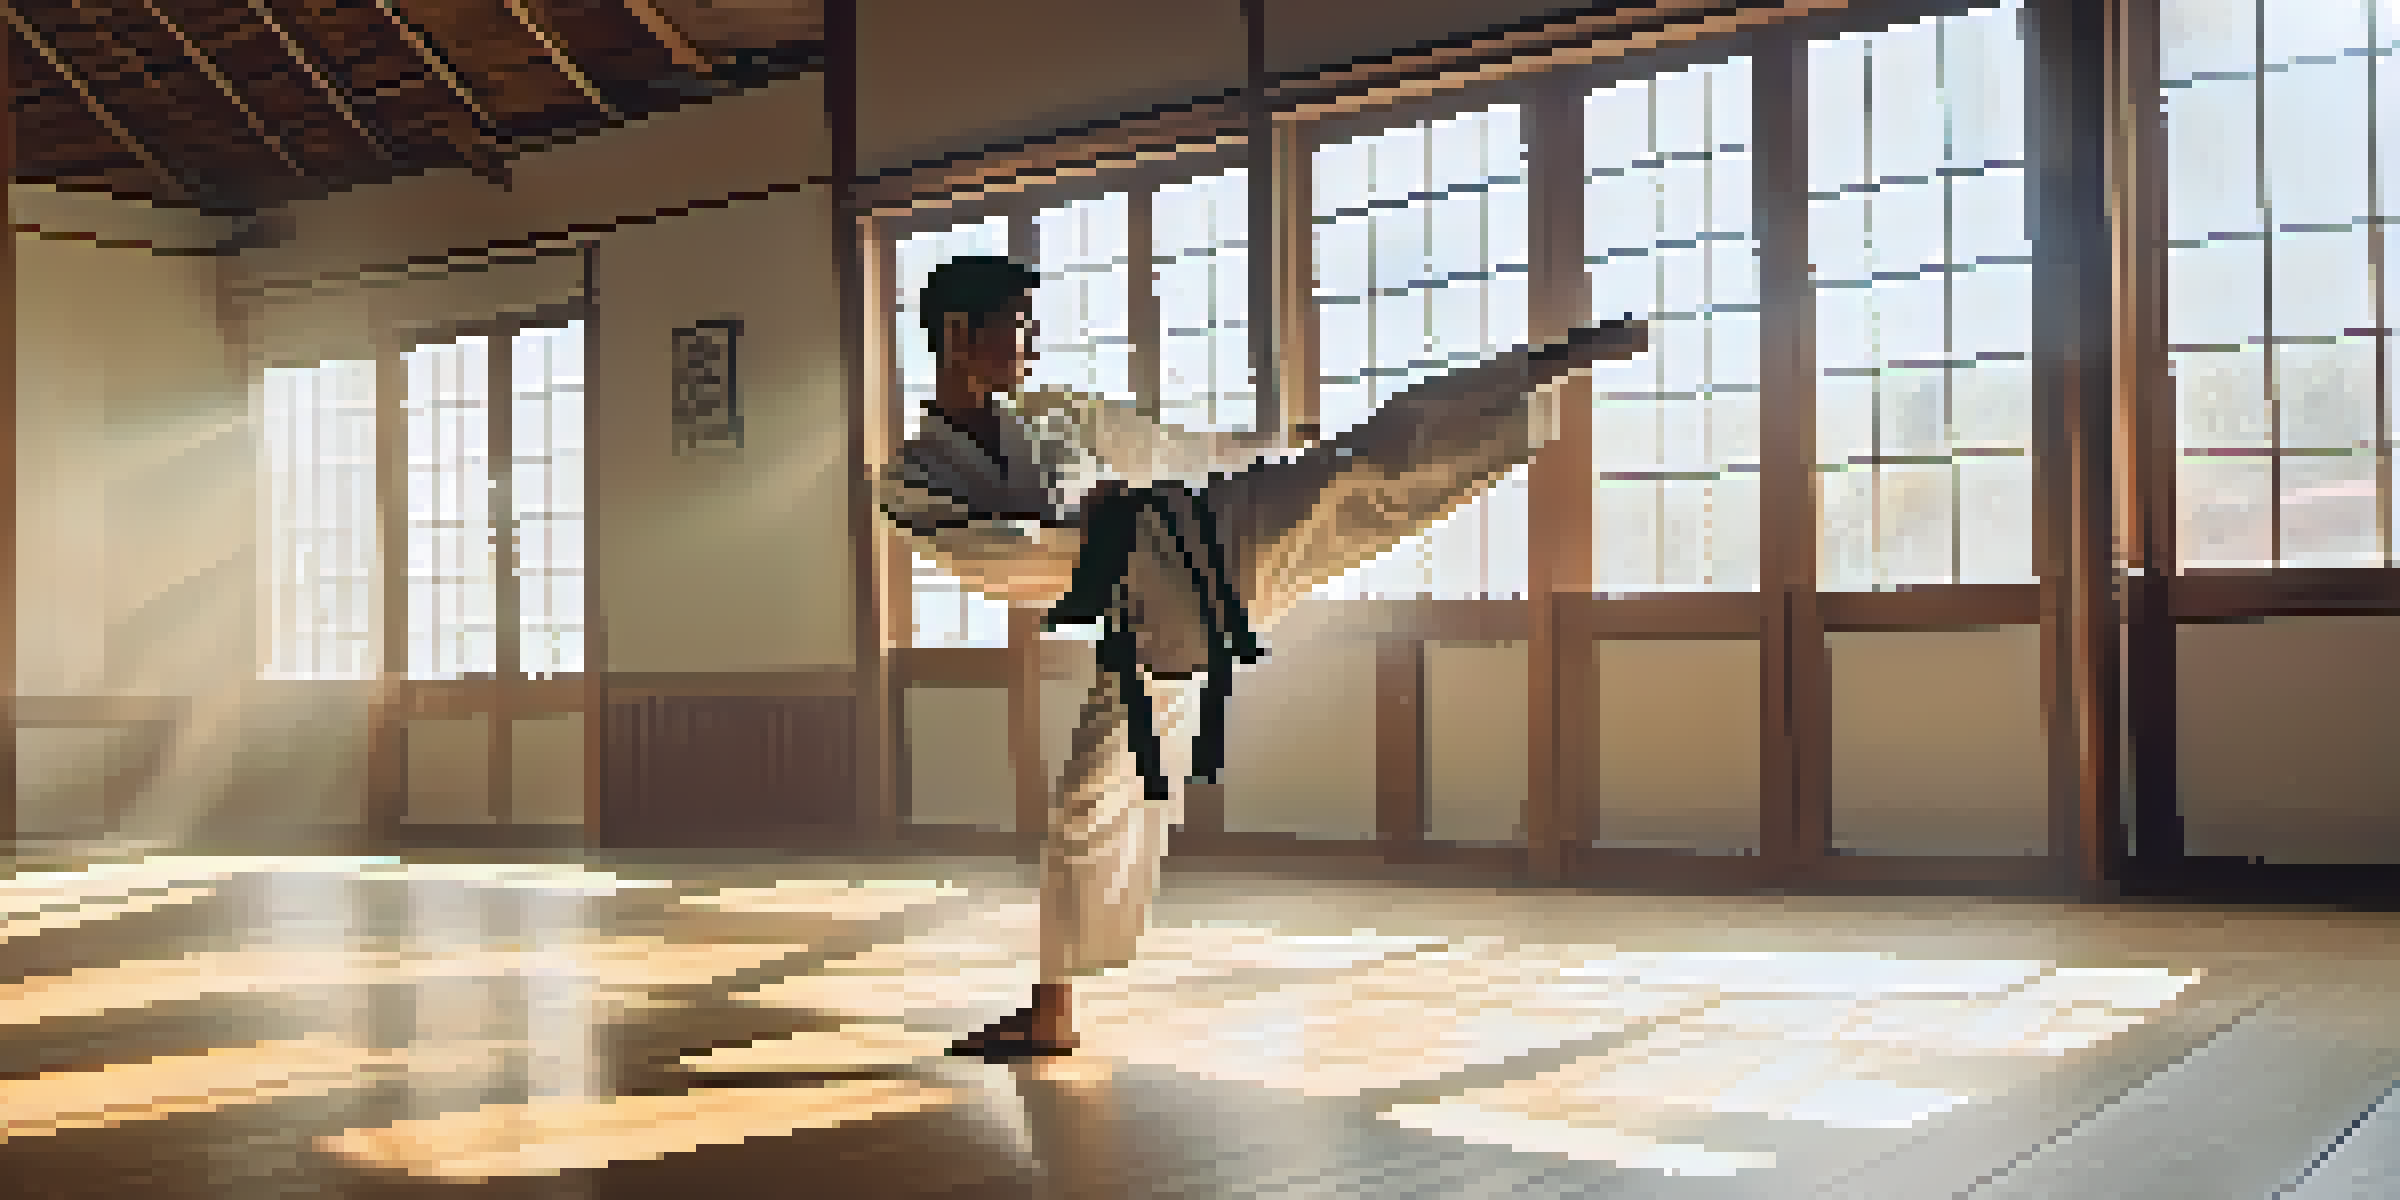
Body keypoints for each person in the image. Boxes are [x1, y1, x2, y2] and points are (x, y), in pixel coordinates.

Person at [877, 255, 1643, 1059]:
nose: (1033, 339)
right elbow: (993, 555)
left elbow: (1166, 445)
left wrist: (1261, 449)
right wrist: (1095, 526)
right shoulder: (914, 476)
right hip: (1153, 613)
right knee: (1087, 803)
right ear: (959, 334)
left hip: (1217, 533)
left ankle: (1540, 369)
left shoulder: (1053, 416)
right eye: (1018, 321)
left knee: (1364, 469)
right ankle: (1053, 1010)